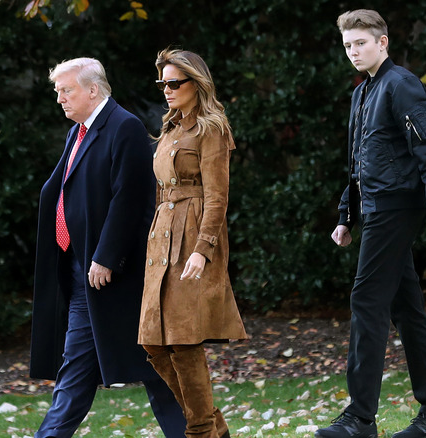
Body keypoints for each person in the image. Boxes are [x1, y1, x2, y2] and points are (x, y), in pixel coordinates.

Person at [316, 10, 426, 438]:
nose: (353, 51)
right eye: (347, 45)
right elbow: (360, 163)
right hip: (377, 208)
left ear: (383, 42)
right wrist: (347, 215)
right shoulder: (363, 92)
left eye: (360, 43)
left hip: (398, 208)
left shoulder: (400, 84)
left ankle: (360, 418)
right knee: (406, 310)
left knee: (366, 301)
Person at [28, 57, 186, 438]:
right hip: (84, 272)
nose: (60, 99)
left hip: (118, 275)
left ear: (93, 90)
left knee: (157, 370)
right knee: (81, 372)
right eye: (58, 92)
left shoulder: (124, 127)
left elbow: (130, 199)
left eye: (66, 90)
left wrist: (105, 256)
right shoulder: (78, 132)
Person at [139, 48, 248, 438]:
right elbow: (161, 190)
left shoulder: (211, 128)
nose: (166, 90)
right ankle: (214, 427)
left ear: (195, 83)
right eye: (162, 83)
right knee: (153, 343)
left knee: (183, 342)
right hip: (161, 240)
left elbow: (217, 196)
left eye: (174, 83)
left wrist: (204, 249)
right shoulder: (170, 129)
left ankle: (201, 431)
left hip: (193, 238)